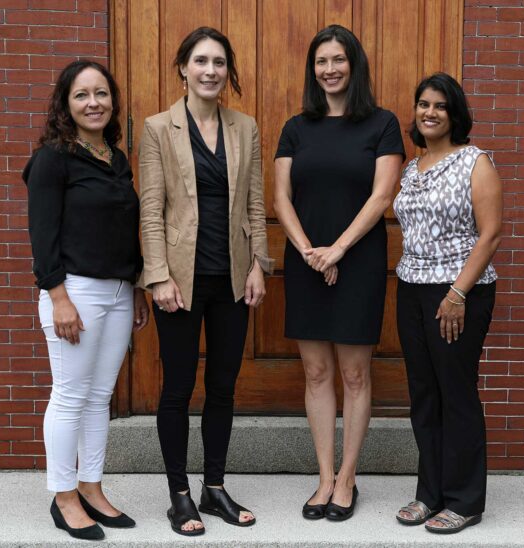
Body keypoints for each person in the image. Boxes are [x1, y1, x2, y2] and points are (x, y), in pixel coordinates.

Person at [138, 27, 273, 536]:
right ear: (183, 68)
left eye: (219, 62)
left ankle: (214, 487)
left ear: (228, 71)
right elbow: (152, 211)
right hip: (179, 280)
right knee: (176, 388)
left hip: (232, 280)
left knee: (222, 388)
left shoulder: (246, 126)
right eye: (201, 61)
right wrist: (158, 277)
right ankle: (179, 495)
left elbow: (255, 204)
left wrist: (259, 264)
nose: (211, 70)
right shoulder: (157, 128)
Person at [273, 24, 405, 522]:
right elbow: (282, 198)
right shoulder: (296, 127)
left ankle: (349, 477)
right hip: (306, 259)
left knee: (353, 373)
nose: (329, 69)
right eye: (321, 61)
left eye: (338, 60)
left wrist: (338, 251)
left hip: (359, 261)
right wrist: (310, 250)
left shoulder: (382, 124)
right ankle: (324, 476)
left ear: (354, 65)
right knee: (316, 372)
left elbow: (382, 196)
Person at [23, 60, 149, 541]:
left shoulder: (114, 157)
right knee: (70, 396)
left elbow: (122, 229)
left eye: (101, 93)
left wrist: (135, 285)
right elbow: (42, 233)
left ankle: (92, 487)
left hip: (118, 292)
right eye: (81, 95)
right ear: (66, 103)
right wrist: (57, 297)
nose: (93, 103)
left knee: (99, 398)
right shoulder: (54, 158)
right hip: (73, 291)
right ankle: (64, 496)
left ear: (112, 101)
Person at [392, 72, 502, 534]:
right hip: (411, 287)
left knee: (455, 393)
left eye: (439, 105)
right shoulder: (411, 168)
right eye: (423, 104)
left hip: (459, 292)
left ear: (454, 113)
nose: (429, 112)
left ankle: (464, 499)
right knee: (423, 394)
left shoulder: (475, 162)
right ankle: (429, 492)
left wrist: (457, 293)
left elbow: (491, 232)